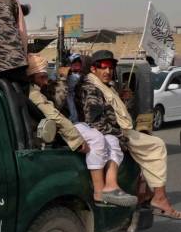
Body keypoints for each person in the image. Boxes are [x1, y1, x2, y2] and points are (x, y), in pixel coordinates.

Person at [77, 50, 179, 219]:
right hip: (113, 133)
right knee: (157, 146)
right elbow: (95, 122)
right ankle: (159, 198)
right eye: (103, 67)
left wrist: (124, 99)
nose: (108, 71)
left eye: (110, 67)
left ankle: (146, 192)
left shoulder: (106, 86)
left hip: (121, 129)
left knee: (149, 144)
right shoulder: (90, 88)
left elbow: (120, 113)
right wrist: (121, 137)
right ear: (93, 69)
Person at [27, 54, 136, 206]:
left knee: (112, 140)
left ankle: (111, 186)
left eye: (78, 67)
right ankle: (99, 192)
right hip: (63, 127)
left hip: (78, 123)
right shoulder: (41, 90)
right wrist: (62, 79)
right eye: (42, 77)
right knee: (97, 139)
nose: (45, 81)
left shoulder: (87, 84)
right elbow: (56, 109)